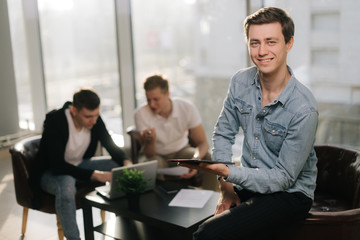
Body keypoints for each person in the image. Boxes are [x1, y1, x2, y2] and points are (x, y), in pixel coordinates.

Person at [178, 7, 318, 240]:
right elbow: (223, 133)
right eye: (255, 43)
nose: (262, 51)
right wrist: (226, 186)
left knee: (208, 235)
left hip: (290, 193)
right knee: (193, 223)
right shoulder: (240, 81)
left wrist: (229, 172)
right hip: (251, 179)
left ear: (289, 43)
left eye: (271, 42)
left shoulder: (304, 108)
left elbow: (283, 177)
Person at [29, 88, 132, 240]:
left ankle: (126, 226)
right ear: (73, 110)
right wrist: (95, 174)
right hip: (52, 172)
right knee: (67, 184)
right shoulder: (56, 121)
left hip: (79, 165)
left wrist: (126, 162)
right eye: (88, 116)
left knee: (119, 168)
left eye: (96, 115)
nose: (94, 120)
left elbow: (110, 145)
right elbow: (58, 165)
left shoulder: (95, 120)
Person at [134, 74, 211, 184]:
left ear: (168, 94)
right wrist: (150, 141)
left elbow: (203, 143)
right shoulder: (140, 114)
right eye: (148, 100)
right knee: (151, 164)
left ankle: (213, 197)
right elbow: (149, 154)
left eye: (156, 99)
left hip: (181, 151)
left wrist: (195, 159)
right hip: (156, 154)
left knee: (208, 158)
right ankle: (161, 199)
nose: (152, 104)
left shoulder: (186, 108)